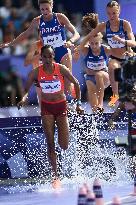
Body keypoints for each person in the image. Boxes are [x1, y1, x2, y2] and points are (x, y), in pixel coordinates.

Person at [18, 45, 84, 188]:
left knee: (64, 145)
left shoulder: (60, 68)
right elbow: (25, 89)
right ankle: (55, 177)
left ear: (53, 56)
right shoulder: (36, 72)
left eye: (50, 56)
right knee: (50, 143)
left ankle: (58, 167)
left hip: (61, 107)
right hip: (47, 108)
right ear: (41, 57)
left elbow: (77, 84)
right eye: (45, 56)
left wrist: (78, 104)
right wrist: (23, 98)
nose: (47, 59)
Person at [0, 0, 80, 98]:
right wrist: (10, 44)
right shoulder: (37, 21)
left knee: (68, 86)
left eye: (47, 8)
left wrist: (71, 41)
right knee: (55, 83)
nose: (45, 11)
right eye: (42, 9)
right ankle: (60, 106)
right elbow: (25, 34)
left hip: (63, 52)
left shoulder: (60, 17)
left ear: (52, 5)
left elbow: (76, 34)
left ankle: (76, 103)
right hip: (49, 55)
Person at [80, 1, 135, 106]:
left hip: (127, 56)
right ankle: (115, 96)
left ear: (119, 12)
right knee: (111, 66)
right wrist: (79, 49)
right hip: (115, 57)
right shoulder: (104, 26)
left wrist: (122, 41)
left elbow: (133, 43)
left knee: (131, 88)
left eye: (114, 13)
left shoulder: (125, 24)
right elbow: (88, 36)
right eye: (109, 13)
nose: (111, 16)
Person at [75, 32, 125, 113]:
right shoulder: (85, 49)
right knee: (94, 109)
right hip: (90, 78)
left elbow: (120, 53)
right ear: (88, 42)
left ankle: (102, 103)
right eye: (92, 43)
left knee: (99, 74)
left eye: (96, 43)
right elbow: (78, 47)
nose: (94, 46)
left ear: (101, 42)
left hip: (104, 77)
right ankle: (98, 115)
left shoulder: (106, 49)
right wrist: (88, 37)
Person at [24, 40, 43, 105]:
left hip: (52, 75)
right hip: (39, 76)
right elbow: (26, 63)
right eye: (41, 35)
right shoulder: (35, 45)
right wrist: (39, 56)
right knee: (41, 102)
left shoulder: (54, 42)